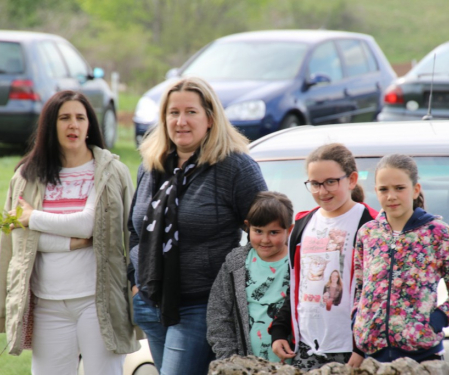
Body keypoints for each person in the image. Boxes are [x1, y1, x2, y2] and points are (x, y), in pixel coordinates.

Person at [127, 76, 267, 375]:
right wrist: (135, 281)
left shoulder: (236, 167)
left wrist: (232, 286)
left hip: (201, 305)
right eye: (173, 112)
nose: (181, 121)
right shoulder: (150, 166)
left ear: (210, 118)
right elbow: (133, 230)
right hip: (150, 302)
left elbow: (266, 233)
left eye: (191, 112)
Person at [0, 90, 139, 375]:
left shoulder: (111, 172)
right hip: (46, 304)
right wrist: (70, 243)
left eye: (80, 117)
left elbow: (90, 225)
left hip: (98, 302)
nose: (73, 125)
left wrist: (33, 218)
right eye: (64, 118)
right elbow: (10, 239)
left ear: (90, 125)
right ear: (50, 125)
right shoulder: (26, 176)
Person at [352, 154, 449, 363]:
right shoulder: (367, 233)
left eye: (399, 188)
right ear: (375, 192)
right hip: (373, 358)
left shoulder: (437, 233)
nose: (391, 196)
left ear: (415, 189)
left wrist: (437, 320)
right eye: (384, 189)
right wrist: (358, 322)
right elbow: (360, 287)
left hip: (422, 357)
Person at [270, 143, 377, 370]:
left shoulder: (371, 225)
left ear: (351, 179)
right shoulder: (301, 225)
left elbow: (376, 291)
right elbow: (297, 286)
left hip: (352, 349)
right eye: (315, 184)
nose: (322, 191)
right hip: (307, 347)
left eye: (331, 182)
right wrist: (280, 330)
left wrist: (361, 347)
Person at [207, 191, 293, 362]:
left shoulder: (299, 261)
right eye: (258, 231)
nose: (265, 240)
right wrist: (230, 359)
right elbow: (218, 312)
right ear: (247, 227)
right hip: (248, 363)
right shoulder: (236, 263)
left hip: (294, 361)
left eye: (274, 232)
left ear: (289, 230)